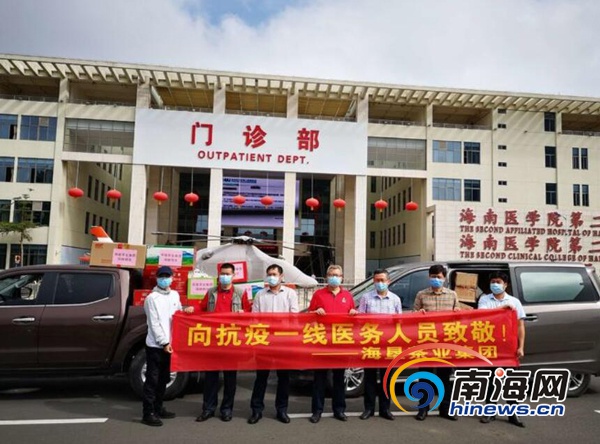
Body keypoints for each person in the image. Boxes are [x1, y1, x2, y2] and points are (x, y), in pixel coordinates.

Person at [196, 263, 252, 423]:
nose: (224, 277)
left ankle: (226, 409)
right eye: (222, 274)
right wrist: (190, 310)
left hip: (231, 342)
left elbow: (249, 312)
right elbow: (201, 309)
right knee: (210, 378)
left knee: (230, 379)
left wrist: (243, 313)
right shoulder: (211, 292)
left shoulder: (240, 293)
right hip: (213, 341)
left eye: (228, 274)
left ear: (233, 276)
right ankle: (208, 409)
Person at [142, 265, 194, 427]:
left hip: (170, 345)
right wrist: (164, 342)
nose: (164, 279)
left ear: (172, 278)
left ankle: (158, 408)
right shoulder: (152, 299)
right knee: (152, 379)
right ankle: (148, 413)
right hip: (156, 346)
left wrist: (186, 310)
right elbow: (154, 323)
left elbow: (177, 315)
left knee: (164, 378)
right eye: (161, 276)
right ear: (157, 278)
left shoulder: (174, 295)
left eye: (167, 276)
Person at [248, 264, 300, 425]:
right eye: (269, 274)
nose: (272, 277)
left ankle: (282, 410)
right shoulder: (260, 294)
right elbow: (254, 318)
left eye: (274, 274)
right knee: (261, 378)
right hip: (264, 341)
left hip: (283, 342)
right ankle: (256, 410)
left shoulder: (290, 293)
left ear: (281, 277)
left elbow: (294, 317)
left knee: (283, 378)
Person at [308, 264, 358, 423]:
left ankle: (339, 410)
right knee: (320, 379)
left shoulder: (348, 296)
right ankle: (317, 411)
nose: (333, 278)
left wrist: (353, 313)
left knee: (339, 378)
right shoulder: (318, 294)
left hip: (340, 343)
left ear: (342, 278)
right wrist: (315, 313)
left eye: (336, 275)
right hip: (322, 342)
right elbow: (309, 317)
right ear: (326, 277)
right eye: (331, 275)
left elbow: (354, 318)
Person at [478, 271, 526, 428]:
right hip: (491, 346)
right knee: (492, 380)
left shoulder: (514, 302)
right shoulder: (485, 299)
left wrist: (521, 346)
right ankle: (490, 412)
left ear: (505, 284)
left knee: (511, 381)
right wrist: (502, 309)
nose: (495, 284)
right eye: (493, 281)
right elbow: (482, 316)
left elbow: (520, 326)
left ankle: (513, 414)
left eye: (498, 282)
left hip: (509, 347)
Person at [412, 264, 460, 422]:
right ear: (429, 277)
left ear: (444, 278)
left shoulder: (452, 295)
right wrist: (418, 314)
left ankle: (445, 408)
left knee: (444, 377)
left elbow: (458, 315)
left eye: (439, 277)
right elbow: (412, 316)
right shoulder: (421, 294)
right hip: (426, 342)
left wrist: (457, 313)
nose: (436, 279)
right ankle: (423, 408)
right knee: (425, 376)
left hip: (446, 343)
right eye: (433, 277)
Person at [357, 268, 401, 421]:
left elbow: (399, 322)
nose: (380, 283)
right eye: (377, 280)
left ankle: (385, 409)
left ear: (388, 281)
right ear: (373, 281)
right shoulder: (366, 298)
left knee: (386, 378)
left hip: (388, 344)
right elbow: (360, 320)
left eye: (382, 280)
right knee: (369, 377)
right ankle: (368, 409)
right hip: (371, 343)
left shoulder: (395, 299)